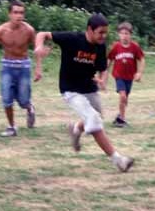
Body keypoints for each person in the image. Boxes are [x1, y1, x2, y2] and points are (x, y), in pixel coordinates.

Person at [33, 14, 135, 172]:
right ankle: (118, 160)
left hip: (89, 87)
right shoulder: (72, 39)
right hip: (70, 89)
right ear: (89, 30)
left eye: (105, 33)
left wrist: (101, 80)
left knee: (95, 116)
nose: (103, 36)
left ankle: (75, 130)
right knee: (94, 120)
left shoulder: (100, 46)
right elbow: (42, 34)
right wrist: (39, 47)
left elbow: (102, 68)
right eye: (100, 32)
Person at [0, 0, 37, 137]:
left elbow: (38, 49)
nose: (19, 16)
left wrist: (38, 68)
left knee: (23, 100)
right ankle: (11, 127)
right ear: (9, 14)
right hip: (7, 67)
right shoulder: (1, 30)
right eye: (15, 12)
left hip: (23, 67)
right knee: (7, 99)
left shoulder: (29, 30)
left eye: (21, 13)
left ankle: (30, 108)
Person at [106, 22, 145, 127]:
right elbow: (109, 59)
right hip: (119, 76)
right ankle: (122, 120)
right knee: (122, 96)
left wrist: (139, 73)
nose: (124, 36)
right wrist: (104, 71)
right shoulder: (116, 47)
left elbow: (141, 59)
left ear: (130, 34)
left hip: (129, 77)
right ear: (118, 34)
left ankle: (119, 116)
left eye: (126, 33)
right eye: (122, 33)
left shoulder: (134, 47)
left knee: (125, 99)